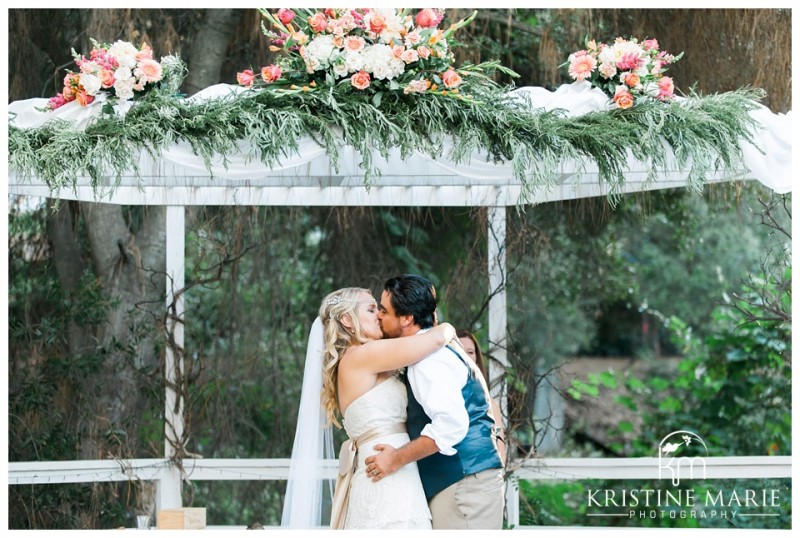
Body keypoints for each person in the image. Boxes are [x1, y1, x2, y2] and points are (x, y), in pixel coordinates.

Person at [281, 286, 457, 529]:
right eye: (372, 308)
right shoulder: (361, 356)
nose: (380, 315)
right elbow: (436, 338)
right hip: (387, 477)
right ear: (347, 320)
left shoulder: (357, 358)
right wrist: (447, 327)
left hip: (383, 471)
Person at [366, 274, 504, 529]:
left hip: (465, 484)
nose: (379, 316)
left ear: (407, 318)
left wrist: (396, 458)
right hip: (462, 482)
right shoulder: (431, 349)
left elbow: (451, 425)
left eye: (384, 311)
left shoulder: (429, 362)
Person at [457, 329, 507, 465]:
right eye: (459, 349)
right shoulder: (437, 399)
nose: (465, 356)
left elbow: (500, 446)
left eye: (470, 352)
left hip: (486, 479)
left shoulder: (490, 404)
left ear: (477, 360)